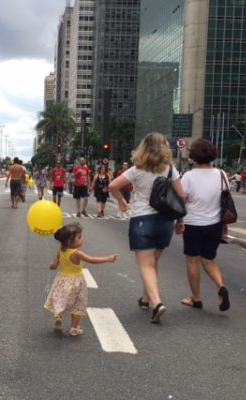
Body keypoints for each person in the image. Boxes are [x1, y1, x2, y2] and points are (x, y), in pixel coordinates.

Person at [109, 132, 185, 324]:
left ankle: (156, 303)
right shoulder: (170, 170)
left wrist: (121, 202)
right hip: (165, 222)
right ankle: (145, 299)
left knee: (146, 265)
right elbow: (181, 197)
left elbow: (113, 185)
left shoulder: (137, 169)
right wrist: (180, 221)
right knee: (152, 264)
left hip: (142, 219)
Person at [175, 139, 230, 312]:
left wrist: (179, 221)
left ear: (194, 156)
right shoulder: (221, 174)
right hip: (215, 224)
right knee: (209, 259)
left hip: (193, 224)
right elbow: (225, 199)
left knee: (192, 261)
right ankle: (221, 286)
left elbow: (182, 200)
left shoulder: (189, 176)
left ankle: (196, 299)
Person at [44, 223, 118, 336]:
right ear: (70, 241)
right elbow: (92, 259)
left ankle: (58, 316)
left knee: (60, 299)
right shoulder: (76, 253)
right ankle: (74, 328)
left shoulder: (61, 250)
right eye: (79, 237)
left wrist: (51, 266)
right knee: (77, 305)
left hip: (61, 280)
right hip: (76, 282)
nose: (82, 239)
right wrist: (108, 258)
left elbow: (53, 265)